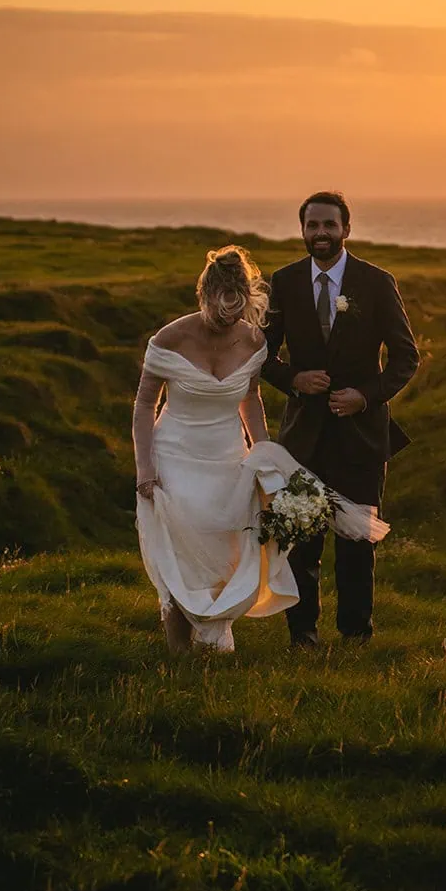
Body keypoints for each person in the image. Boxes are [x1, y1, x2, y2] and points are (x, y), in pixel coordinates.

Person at [262, 192, 419, 644]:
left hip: (361, 439)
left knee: (356, 546)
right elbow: (262, 354)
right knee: (300, 543)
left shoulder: (376, 282)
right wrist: (294, 378)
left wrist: (365, 397)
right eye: (312, 226)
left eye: (329, 225)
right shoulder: (285, 282)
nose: (321, 234)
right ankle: (302, 635)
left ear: (346, 229)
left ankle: (355, 635)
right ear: (303, 230)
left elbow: (406, 358)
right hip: (303, 439)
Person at [132, 246, 299, 653]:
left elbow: (251, 400)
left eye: (237, 311)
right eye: (221, 310)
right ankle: (177, 651)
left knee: (224, 547)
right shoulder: (171, 338)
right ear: (205, 296)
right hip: (175, 456)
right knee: (180, 550)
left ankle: (211, 634)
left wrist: (264, 457)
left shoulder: (253, 339)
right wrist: (144, 471)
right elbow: (143, 405)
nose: (229, 321)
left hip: (227, 459)